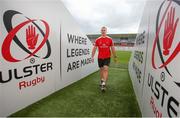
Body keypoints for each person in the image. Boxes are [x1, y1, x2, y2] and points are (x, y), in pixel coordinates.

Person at [91, 26, 117, 92]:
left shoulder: (110, 39)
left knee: (105, 68)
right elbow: (94, 49)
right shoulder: (97, 40)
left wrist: (115, 56)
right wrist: (92, 56)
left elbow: (113, 48)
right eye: (102, 30)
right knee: (101, 70)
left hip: (107, 57)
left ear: (106, 31)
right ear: (100, 31)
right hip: (100, 57)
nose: (103, 31)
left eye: (104, 30)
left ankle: (103, 83)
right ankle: (102, 80)